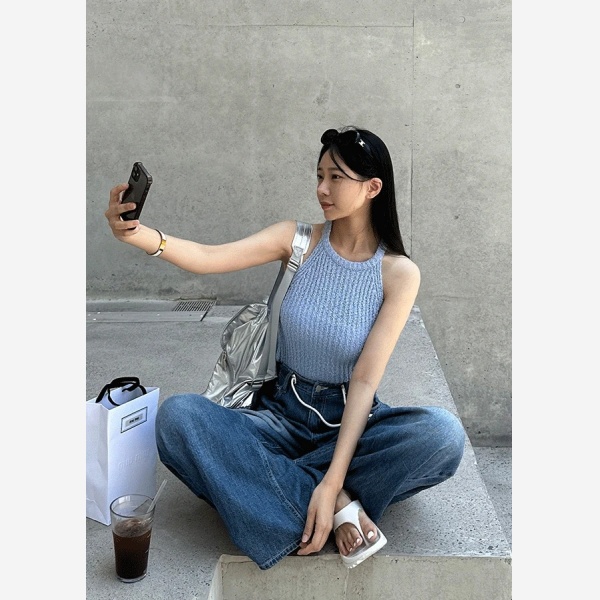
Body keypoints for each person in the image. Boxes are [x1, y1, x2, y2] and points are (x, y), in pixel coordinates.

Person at [105, 126, 466, 571]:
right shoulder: (297, 240)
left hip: (350, 420)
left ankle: (288, 489)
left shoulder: (398, 273)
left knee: (442, 436)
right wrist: (137, 234)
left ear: (373, 187)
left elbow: (364, 381)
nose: (322, 189)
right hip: (278, 415)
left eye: (336, 177)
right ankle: (336, 507)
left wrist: (333, 478)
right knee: (179, 419)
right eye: (319, 176)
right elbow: (208, 257)